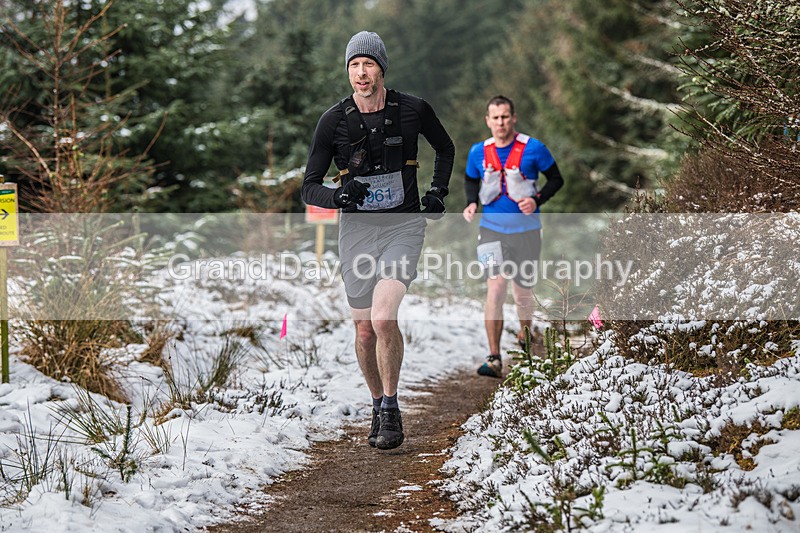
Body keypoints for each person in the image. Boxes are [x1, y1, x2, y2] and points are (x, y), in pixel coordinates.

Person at [301, 31, 454, 449]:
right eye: (354, 65)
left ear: (381, 69)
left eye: (368, 64)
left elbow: (445, 147)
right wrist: (338, 196)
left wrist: (437, 191)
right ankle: (375, 401)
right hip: (357, 231)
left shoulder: (412, 110)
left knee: (385, 317)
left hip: (404, 226)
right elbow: (308, 186)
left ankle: (391, 407)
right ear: (347, 71)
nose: (361, 72)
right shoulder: (334, 120)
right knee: (365, 330)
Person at [462, 95, 564, 378]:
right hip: (491, 229)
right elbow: (471, 178)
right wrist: (471, 202)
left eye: (505, 116)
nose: (500, 122)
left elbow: (556, 178)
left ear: (513, 118)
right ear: (488, 121)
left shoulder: (534, 148)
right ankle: (494, 357)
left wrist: (537, 200)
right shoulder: (477, 152)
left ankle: (525, 336)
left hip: (527, 231)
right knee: (495, 288)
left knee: (522, 294)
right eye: (495, 117)